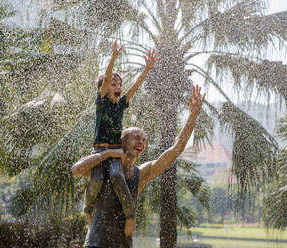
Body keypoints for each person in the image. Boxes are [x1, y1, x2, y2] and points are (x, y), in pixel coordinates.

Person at [72, 85, 205, 248]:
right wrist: (106, 154)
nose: (141, 143)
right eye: (136, 138)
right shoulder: (103, 166)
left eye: (144, 140)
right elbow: (76, 169)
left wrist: (192, 116)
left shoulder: (141, 173)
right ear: (123, 141)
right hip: (94, 244)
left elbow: (176, 149)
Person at [82, 40, 159, 231]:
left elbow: (135, 86)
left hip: (116, 151)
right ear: (104, 88)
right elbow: (106, 78)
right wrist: (114, 58)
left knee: (117, 175)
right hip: (99, 150)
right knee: (97, 179)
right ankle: (88, 207)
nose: (118, 87)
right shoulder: (101, 102)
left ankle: (130, 212)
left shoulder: (120, 104)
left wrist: (147, 69)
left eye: (119, 84)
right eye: (113, 84)